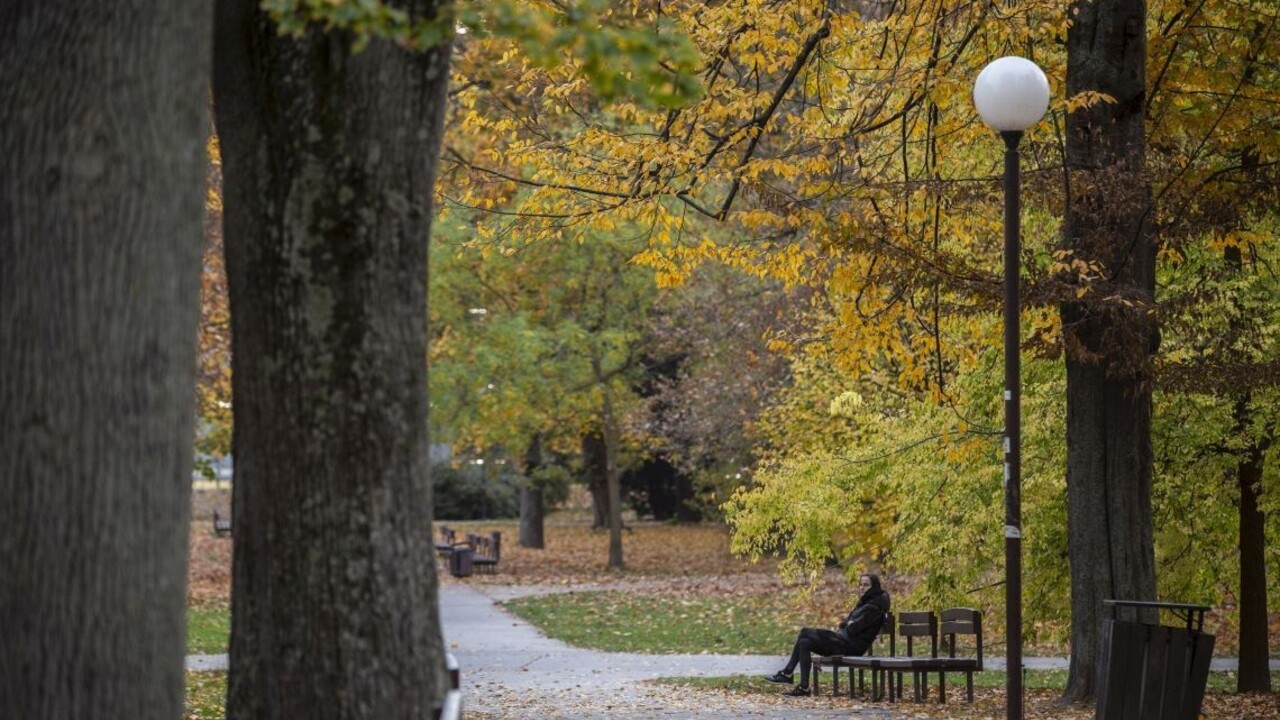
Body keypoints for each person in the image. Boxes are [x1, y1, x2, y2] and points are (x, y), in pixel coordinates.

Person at [764, 572, 890, 697]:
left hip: (850, 647)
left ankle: (787, 674)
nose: (862, 587)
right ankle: (803, 687)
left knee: (805, 632)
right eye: (860, 584)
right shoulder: (865, 603)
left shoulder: (873, 607)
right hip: (843, 641)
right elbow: (845, 624)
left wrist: (849, 624)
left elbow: (852, 629)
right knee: (804, 642)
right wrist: (849, 624)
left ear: (874, 587)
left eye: (866, 585)